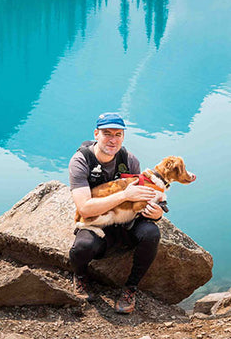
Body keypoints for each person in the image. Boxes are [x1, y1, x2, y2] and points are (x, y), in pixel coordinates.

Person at [68, 112, 163, 314]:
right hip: (97, 223)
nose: (113, 139)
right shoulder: (81, 161)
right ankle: (81, 277)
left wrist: (157, 214)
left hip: (125, 223)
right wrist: (123, 195)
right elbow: (84, 208)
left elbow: (148, 197)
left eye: (118, 134)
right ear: (96, 134)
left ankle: (130, 288)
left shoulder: (129, 160)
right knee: (82, 247)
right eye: (107, 133)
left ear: (123, 137)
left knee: (151, 233)